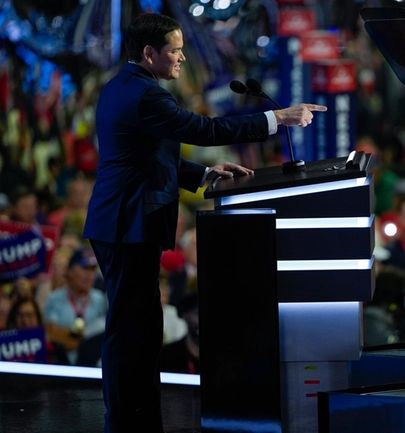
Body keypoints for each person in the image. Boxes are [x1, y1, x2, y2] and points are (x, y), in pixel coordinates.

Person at [82, 13, 326, 433]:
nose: (181, 58)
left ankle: (134, 408)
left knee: (138, 324)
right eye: (174, 50)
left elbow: (148, 154)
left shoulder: (125, 87)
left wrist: (203, 175)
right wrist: (277, 119)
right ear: (148, 53)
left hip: (123, 220)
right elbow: (203, 129)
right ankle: (127, 416)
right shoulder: (146, 96)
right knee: (129, 326)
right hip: (127, 223)